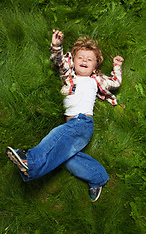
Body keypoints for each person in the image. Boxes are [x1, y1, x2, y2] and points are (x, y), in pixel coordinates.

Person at [6, 29, 124, 202]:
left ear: (95, 67)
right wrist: (56, 46)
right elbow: (59, 61)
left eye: (89, 60)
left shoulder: (96, 80)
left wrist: (117, 66)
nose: (84, 61)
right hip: (72, 126)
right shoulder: (69, 76)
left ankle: (30, 162)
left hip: (82, 122)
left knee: (56, 135)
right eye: (80, 58)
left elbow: (115, 82)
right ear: (73, 61)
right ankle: (97, 177)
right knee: (67, 158)